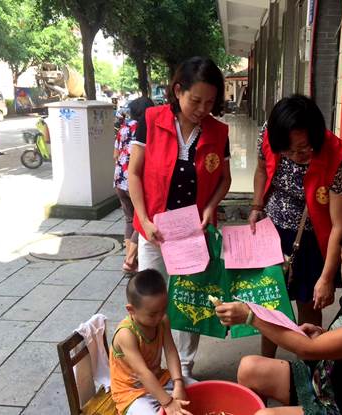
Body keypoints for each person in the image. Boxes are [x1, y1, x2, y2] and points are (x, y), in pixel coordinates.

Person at [215, 220, 342, 415]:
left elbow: (308, 349)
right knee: (249, 368)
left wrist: (251, 317)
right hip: (323, 379)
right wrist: (323, 333)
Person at [127, 56, 231, 377]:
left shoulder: (218, 131)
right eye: (195, 100)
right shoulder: (152, 120)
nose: (202, 109)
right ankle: (150, 366)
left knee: (188, 300)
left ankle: (184, 368)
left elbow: (224, 179)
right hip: (155, 229)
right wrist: (144, 221)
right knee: (150, 299)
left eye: (210, 102)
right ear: (177, 90)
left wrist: (211, 207)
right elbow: (134, 174)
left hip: (192, 232)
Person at [249, 94, 342, 357]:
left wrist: (327, 277)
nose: (295, 156)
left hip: (314, 239)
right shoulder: (270, 133)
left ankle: (307, 368)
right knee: (271, 305)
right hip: (273, 232)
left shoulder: (339, 157)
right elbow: (261, 169)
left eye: (303, 148)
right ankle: (266, 364)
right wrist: (257, 206)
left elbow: (339, 225)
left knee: (310, 305)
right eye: (287, 151)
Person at [110, 269, 194, 415]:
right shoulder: (126, 334)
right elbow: (142, 373)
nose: (160, 316)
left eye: (164, 309)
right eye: (153, 314)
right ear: (131, 310)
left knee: (197, 388)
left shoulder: (162, 320)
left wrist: (178, 382)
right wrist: (168, 402)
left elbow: (170, 352)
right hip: (131, 393)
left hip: (159, 378)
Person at [114, 97, 154, 274]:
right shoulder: (147, 128)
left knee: (130, 219)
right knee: (143, 219)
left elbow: (115, 154)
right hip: (136, 181)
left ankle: (129, 257)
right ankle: (130, 260)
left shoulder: (124, 127)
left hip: (119, 179)